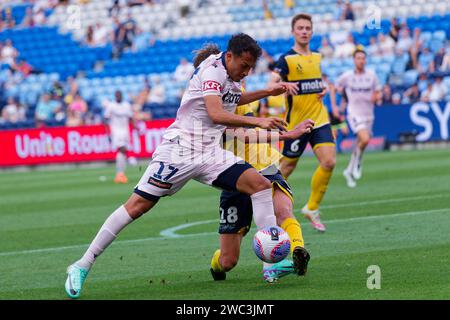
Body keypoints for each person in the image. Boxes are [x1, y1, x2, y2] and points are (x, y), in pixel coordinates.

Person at [64, 33, 291, 299]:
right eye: (244, 65)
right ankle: (82, 264)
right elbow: (216, 113)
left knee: (260, 186)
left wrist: (267, 91)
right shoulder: (213, 70)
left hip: (209, 153)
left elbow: (232, 99)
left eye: (251, 67)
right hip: (179, 151)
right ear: (230, 57)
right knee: (137, 206)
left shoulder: (231, 77)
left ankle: (270, 264)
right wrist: (259, 122)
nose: (247, 71)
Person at [188, 44, 312, 283]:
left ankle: (295, 251)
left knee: (283, 210)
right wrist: (285, 135)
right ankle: (218, 265)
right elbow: (240, 135)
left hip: (263, 165)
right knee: (228, 261)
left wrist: (270, 92)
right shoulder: (210, 105)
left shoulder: (236, 86)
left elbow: (248, 105)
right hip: (233, 173)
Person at [269, 13, 335, 232]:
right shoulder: (286, 59)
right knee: (286, 168)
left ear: (312, 32)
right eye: (300, 28)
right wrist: (284, 85)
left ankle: (312, 207)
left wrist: (323, 88)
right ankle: (263, 200)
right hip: (296, 124)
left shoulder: (317, 57)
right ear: (293, 32)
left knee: (329, 162)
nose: (304, 31)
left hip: (319, 118)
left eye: (308, 28)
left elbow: (318, 81)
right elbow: (272, 83)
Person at [330, 47, 382, 188]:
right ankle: (358, 161)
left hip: (369, 114)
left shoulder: (371, 75)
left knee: (361, 143)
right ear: (354, 60)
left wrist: (377, 97)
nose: (361, 61)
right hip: (354, 113)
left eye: (363, 58)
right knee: (365, 139)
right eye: (358, 58)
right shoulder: (347, 76)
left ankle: (348, 170)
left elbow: (378, 91)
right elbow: (333, 88)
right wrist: (334, 107)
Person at [102, 90, 134, 184]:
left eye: (119, 95)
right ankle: (120, 173)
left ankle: (120, 175)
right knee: (122, 149)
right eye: (117, 95)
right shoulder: (111, 106)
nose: (118, 96)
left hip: (125, 131)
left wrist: (135, 128)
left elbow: (130, 118)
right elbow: (105, 119)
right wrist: (108, 133)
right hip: (116, 131)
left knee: (123, 152)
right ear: (115, 96)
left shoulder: (127, 105)